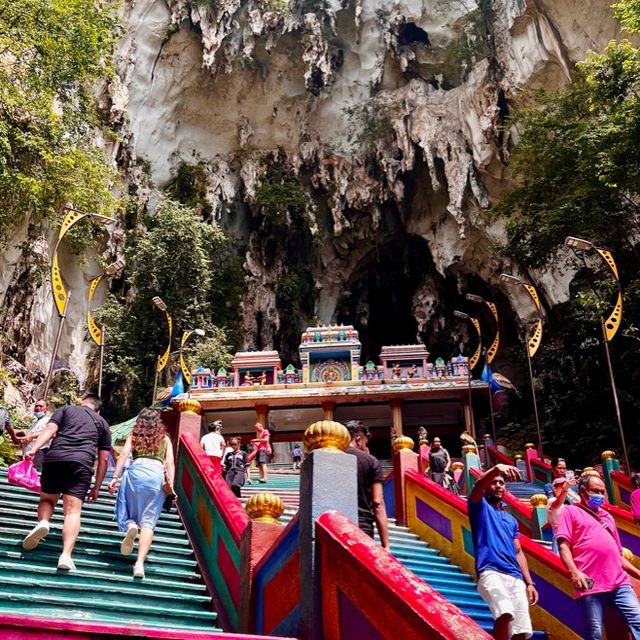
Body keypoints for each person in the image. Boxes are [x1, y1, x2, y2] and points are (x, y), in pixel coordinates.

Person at [21, 394, 111, 571]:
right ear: (97, 409)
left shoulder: (66, 409)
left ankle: (44, 522)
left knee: (47, 499)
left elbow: (49, 430)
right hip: (82, 464)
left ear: (81, 403)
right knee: (72, 512)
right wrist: (97, 487)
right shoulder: (103, 424)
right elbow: (104, 459)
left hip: (55, 458)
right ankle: (65, 555)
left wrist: (34, 449)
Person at [556, 474, 640, 640]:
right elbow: (563, 545)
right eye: (595, 491)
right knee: (594, 632)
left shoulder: (608, 517)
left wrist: (637, 573)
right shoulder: (570, 511)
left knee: (638, 620)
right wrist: (574, 572)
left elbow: (618, 553)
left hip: (619, 581)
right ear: (583, 491)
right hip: (590, 581)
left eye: (602, 492)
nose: (600, 496)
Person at [468, 463, 539, 640]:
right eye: (494, 482)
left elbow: (518, 551)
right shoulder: (480, 507)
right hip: (491, 571)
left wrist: (529, 583)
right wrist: (496, 468)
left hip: (515, 577)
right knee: (505, 612)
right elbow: (477, 486)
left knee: (522, 631)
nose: (498, 485)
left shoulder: (511, 520)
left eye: (501, 482)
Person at [108, 408, 174, 579]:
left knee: (129, 508)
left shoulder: (134, 435)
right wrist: (171, 486)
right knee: (148, 522)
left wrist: (115, 477)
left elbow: (123, 454)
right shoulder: (165, 439)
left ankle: (130, 526)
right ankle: (139, 564)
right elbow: (170, 463)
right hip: (156, 476)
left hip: (135, 473)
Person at [344, 420, 390, 550]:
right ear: (359, 439)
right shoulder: (371, 461)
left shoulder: (329, 457)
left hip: (333, 526)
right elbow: (377, 503)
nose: (365, 446)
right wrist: (386, 544)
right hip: (362, 527)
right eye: (365, 443)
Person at [20, 400, 52, 472]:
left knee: (36, 474)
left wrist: (32, 436)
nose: (38, 408)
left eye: (41, 406)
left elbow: (51, 434)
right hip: (29, 454)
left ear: (46, 409)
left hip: (39, 453)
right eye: (36, 406)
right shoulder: (37, 422)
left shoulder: (48, 420)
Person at [547, 476, 572, 554]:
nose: (564, 488)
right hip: (560, 538)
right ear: (554, 489)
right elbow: (556, 504)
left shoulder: (567, 505)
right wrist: (564, 491)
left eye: (566, 487)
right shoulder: (551, 501)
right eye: (561, 487)